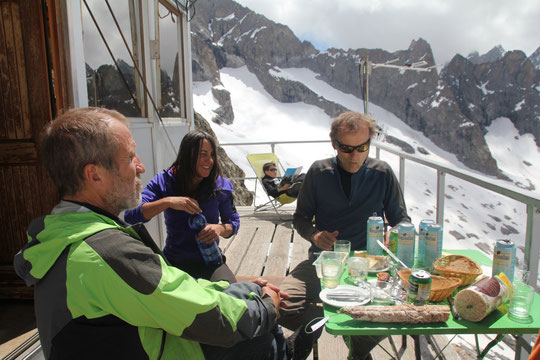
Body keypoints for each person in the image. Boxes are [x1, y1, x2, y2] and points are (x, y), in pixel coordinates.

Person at [13, 107, 290, 360]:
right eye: (131, 156)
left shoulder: (62, 235)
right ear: (94, 175)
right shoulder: (105, 253)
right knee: (259, 339)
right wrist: (265, 307)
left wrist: (250, 289)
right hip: (157, 345)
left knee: (251, 310)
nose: (141, 166)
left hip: (143, 335)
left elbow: (176, 290)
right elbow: (207, 317)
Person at [278, 111, 411, 360]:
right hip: (325, 262)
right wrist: (316, 235)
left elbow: (402, 220)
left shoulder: (382, 173)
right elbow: (301, 218)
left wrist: (394, 233)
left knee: (390, 313)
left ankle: (357, 349)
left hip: (372, 266)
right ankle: (315, 327)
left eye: (362, 147)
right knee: (281, 302)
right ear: (334, 144)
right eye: (347, 148)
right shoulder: (318, 173)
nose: (355, 155)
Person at [124, 130, 239, 283]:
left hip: (211, 261)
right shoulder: (164, 181)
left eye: (212, 155)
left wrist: (219, 229)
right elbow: (131, 216)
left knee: (231, 296)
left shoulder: (221, 186)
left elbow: (233, 223)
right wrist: (168, 201)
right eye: (203, 154)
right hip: (175, 262)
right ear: (187, 155)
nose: (209, 160)